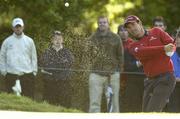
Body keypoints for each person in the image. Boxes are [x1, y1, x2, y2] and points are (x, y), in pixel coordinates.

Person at [124, 15, 176, 112]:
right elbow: (145, 51)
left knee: (152, 111)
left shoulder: (156, 31)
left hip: (166, 78)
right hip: (150, 81)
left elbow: (171, 44)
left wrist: (171, 49)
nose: (132, 29)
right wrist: (163, 48)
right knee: (146, 113)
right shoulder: (132, 46)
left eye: (133, 25)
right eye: (129, 28)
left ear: (139, 23)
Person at [88, 16, 124, 112]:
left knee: (113, 102)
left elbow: (120, 55)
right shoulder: (92, 38)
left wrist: (118, 71)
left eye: (104, 22)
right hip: (96, 73)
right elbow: (87, 55)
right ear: (98, 24)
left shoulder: (116, 38)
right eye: (100, 22)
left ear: (108, 24)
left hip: (113, 74)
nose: (102, 24)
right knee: (94, 102)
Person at [0, 17, 37, 98]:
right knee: (11, 99)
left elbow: (34, 57)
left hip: (27, 75)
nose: (18, 28)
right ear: (13, 28)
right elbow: (2, 57)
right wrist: (4, 71)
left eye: (19, 26)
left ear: (23, 27)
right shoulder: (7, 41)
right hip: (11, 75)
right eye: (16, 27)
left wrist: (34, 71)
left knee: (29, 99)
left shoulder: (29, 41)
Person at [39, 30, 74, 107]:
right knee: (50, 106)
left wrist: (54, 66)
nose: (57, 41)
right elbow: (46, 66)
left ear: (62, 40)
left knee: (65, 107)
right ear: (52, 40)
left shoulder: (68, 53)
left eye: (59, 38)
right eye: (55, 38)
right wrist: (60, 64)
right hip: (50, 83)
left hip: (64, 83)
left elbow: (69, 65)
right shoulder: (47, 52)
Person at [117, 25, 144, 112]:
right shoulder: (116, 44)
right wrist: (139, 63)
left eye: (125, 30)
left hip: (137, 77)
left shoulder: (134, 44)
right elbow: (127, 65)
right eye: (121, 31)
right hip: (121, 75)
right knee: (127, 101)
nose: (123, 33)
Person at [165, 29, 180, 112]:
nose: (177, 40)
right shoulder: (170, 52)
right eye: (175, 37)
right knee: (173, 110)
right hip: (172, 86)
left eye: (179, 37)